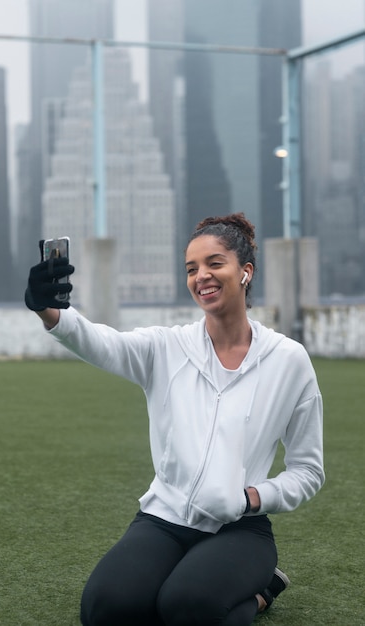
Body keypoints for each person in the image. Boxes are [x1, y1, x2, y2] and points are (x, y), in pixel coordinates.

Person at [25, 213, 325, 626]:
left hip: (238, 529)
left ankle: (261, 593)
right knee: (106, 610)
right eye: (191, 268)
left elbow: (308, 470)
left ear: (245, 272)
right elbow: (102, 344)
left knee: (188, 609)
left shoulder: (288, 360)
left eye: (215, 263)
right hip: (163, 521)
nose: (202, 275)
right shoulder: (167, 347)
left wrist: (251, 498)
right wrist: (50, 311)